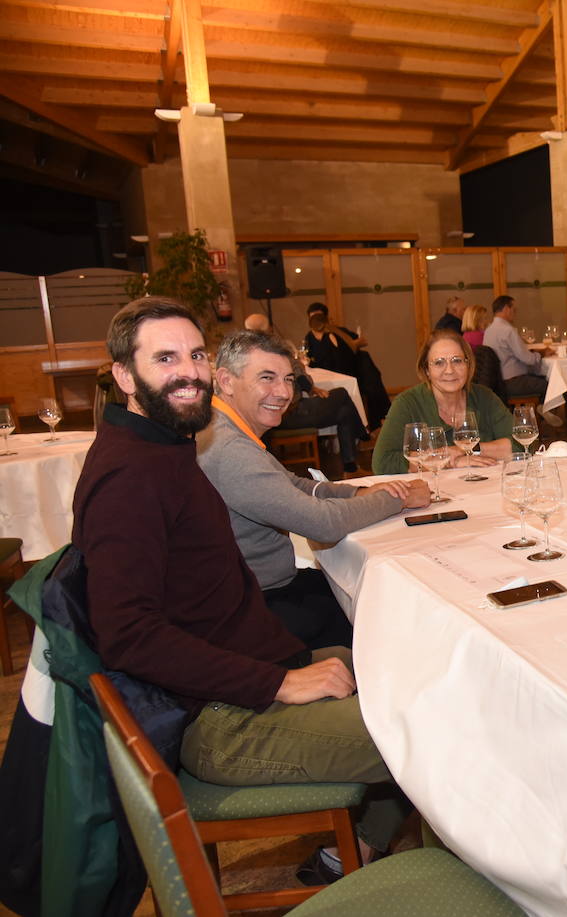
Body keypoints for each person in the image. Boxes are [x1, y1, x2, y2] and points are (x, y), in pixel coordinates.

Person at [74, 297, 410, 880]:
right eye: (165, 358)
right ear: (125, 376)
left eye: (196, 353)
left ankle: (354, 852)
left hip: (247, 672)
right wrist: (277, 682)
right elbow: (128, 637)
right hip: (218, 718)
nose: (189, 370)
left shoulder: (171, 445)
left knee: (420, 673)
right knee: (434, 726)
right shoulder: (130, 475)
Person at [197, 331, 430, 649]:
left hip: (263, 589)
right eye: (267, 378)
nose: (282, 392)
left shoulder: (224, 426)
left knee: (376, 592)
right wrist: (396, 499)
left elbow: (291, 484)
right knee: (391, 621)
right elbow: (322, 523)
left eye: (288, 379)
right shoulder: (227, 447)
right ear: (225, 380)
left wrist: (356, 494)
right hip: (256, 608)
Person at [373, 329, 516, 474]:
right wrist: (449, 460)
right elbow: (383, 462)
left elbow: (520, 442)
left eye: (457, 361)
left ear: (468, 364)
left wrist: (466, 450)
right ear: (427, 369)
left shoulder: (484, 397)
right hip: (432, 492)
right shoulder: (407, 404)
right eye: (439, 363)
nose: (449, 370)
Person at [302, 302, 390, 428]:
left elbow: (361, 342)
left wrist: (349, 343)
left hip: (348, 373)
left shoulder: (337, 332)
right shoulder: (309, 338)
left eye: (319, 317)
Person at [279, 356, 369, 471]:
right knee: (341, 393)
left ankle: (350, 465)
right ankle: (361, 432)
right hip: (292, 413)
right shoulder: (285, 360)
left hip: (292, 412)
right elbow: (304, 382)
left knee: (344, 412)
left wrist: (313, 389)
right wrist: (312, 387)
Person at [484, 294, 552, 400]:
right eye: (514, 310)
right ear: (507, 309)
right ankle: (543, 415)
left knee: (540, 378)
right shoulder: (507, 330)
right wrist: (542, 353)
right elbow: (528, 359)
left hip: (498, 381)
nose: (515, 314)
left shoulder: (489, 330)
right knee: (550, 384)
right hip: (513, 381)